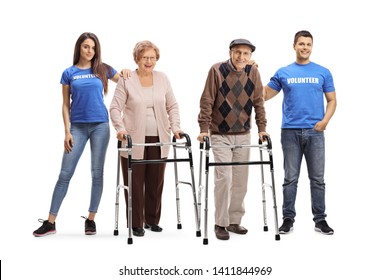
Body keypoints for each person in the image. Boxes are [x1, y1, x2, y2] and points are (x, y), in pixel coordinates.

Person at [33, 32, 129, 237]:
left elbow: (125, 83)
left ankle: (91, 220)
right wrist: (66, 131)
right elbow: (65, 105)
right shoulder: (69, 73)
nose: (90, 51)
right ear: (79, 48)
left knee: (97, 173)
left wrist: (126, 71)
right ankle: (51, 222)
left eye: (93, 48)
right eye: (86, 47)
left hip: (100, 126)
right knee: (64, 174)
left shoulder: (103, 69)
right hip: (77, 127)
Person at [263, 30, 337, 235]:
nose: (305, 47)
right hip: (290, 132)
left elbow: (332, 100)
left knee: (318, 179)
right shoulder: (284, 72)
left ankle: (320, 220)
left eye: (308, 44)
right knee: (290, 178)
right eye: (301, 44)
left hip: (315, 132)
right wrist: (250, 73)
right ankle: (288, 219)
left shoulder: (323, 72)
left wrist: (324, 121)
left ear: (312, 47)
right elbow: (264, 95)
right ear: (294, 45)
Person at [110, 40, 183, 237]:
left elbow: (172, 106)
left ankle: (152, 220)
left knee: (155, 181)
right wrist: (120, 129)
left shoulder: (163, 78)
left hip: (160, 137)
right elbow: (115, 108)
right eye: (144, 58)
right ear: (137, 59)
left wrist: (175, 128)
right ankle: (136, 223)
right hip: (133, 138)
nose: (148, 61)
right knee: (134, 182)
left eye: (152, 57)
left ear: (156, 59)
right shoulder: (127, 79)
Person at [197, 39, 269, 240]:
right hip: (220, 134)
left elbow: (258, 102)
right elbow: (207, 100)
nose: (241, 57)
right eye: (238, 52)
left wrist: (262, 129)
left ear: (250, 57)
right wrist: (204, 129)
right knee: (224, 178)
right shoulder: (217, 70)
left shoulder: (252, 72)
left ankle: (234, 221)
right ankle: (220, 223)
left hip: (244, 134)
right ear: (230, 52)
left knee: (240, 181)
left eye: (246, 54)